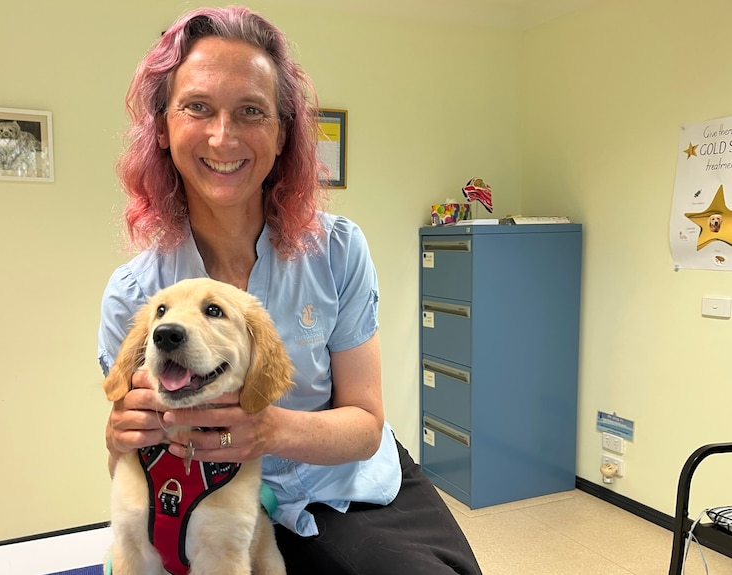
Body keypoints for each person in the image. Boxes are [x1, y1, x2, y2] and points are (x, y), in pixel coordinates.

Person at [99, 6, 483, 574]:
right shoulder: (134, 294)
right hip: (210, 498)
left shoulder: (336, 252)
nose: (223, 136)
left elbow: (364, 423)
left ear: (282, 134)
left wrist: (267, 429)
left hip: (344, 484)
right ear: (162, 126)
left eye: (251, 111)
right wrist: (118, 437)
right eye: (197, 107)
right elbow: (129, 464)